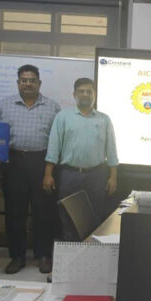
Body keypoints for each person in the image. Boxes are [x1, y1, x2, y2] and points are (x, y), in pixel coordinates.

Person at [0, 65, 60, 275]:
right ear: (18, 83)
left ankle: (44, 255)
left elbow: (56, 141)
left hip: (42, 163)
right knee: (15, 212)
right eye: (24, 80)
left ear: (39, 83)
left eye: (32, 80)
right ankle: (17, 256)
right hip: (14, 162)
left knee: (44, 212)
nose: (28, 84)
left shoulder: (52, 107)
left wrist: (50, 170)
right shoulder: (3, 106)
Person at [43, 78, 118, 253]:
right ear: (74, 94)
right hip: (70, 175)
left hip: (97, 176)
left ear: (95, 94)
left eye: (89, 91)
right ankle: (71, 257)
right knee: (68, 216)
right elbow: (54, 147)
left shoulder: (104, 119)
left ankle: (91, 257)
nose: (85, 94)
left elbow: (111, 150)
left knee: (95, 216)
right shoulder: (63, 117)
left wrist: (113, 177)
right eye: (81, 91)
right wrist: (48, 174)